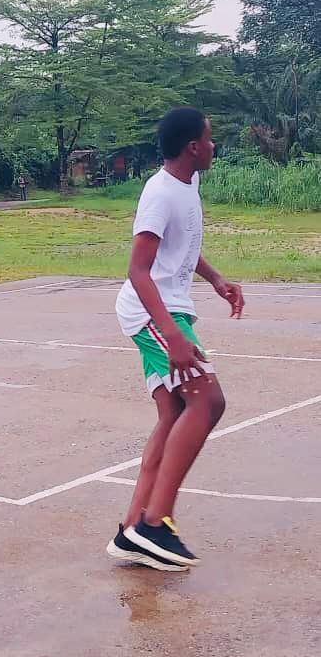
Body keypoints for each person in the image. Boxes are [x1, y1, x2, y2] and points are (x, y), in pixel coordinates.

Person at [107, 107, 244, 570]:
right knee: (208, 401)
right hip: (150, 311)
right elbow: (138, 270)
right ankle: (155, 524)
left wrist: (216, 279)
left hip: (169, 307)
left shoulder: (189, 183)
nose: (214, 145)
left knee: (175, 412)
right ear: (193, 147)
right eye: (210, 138)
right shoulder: (160, 193)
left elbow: (182, 246)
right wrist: (172, 334)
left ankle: (131, 529)